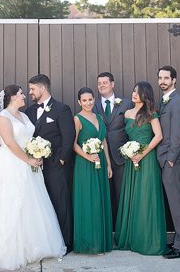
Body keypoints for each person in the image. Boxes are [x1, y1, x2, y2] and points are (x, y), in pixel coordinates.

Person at [0, 85, 66, 269]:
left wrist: (36, 152)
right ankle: (7, 248)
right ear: (12, 97)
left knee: (29, 204)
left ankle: (30, 245)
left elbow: (28, 139)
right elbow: (9, 141)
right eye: (21, 94)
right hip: (10, 163)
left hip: (29, 164)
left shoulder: (24, 116)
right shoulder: (3, 117)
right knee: (9, 203)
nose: (25, 96)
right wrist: (28, 159)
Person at [115, 81, 166, 256]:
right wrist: (129, 153)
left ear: (145, 94)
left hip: (147, 158)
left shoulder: (151, 113)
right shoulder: (127, 113)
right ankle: (132, 237)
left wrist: (142, 154)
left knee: (146, 197)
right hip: (131, 159)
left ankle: (147, 239)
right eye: (133, 90)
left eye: (137, 91)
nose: (134, 93)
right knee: (133, 197)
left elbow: (158, 136)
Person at [25, 74, 75, 251]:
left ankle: (65, 242)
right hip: (34, 166)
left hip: (56, 165)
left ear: (43, 88)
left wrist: (61, 159)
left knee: (59, 201)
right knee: (39, 204)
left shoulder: (62, 109)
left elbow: (69, 137)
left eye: (32, 89)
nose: (29, 92)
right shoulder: (29, 112)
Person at [156, 65, 180, 259]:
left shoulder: (177, 101)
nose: (162, 81)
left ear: (174, 80)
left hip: (173, 160)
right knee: (173, 202)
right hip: (165, 158)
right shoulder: (164, 101)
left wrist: (171, 158)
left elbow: (179, 131)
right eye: (160, 78)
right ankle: (179, 240)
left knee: (177, 203)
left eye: (166, 78)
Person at [71, 87, 113, 253]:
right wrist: (87, 157)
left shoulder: (99, 117)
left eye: (90, 99)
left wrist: (108, 164)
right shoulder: (77, 119)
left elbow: (104, 142)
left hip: (100, 162)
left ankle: (101, 241)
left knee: (100, 199)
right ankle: (88, 242)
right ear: (79, 102)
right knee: (88, 200)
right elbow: (73, 144)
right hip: (85, 164)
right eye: (84, 100)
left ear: (94, 99)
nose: (88, 103)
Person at [96, 71, 131, 227]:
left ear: (112, 84)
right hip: (101, 158)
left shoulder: (126, 103)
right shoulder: (93, 105)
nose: (102, 85)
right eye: (99, 83)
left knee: (123, 196)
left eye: (105, 82)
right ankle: (108, 231)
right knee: (105, 197)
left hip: (121, 157)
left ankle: (123, 229)